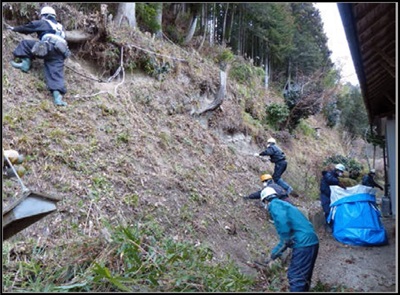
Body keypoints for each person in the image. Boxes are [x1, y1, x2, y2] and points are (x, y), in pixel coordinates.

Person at [6, 6, 70, 106]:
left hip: (47, 46)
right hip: (60, 52)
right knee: (55, 73)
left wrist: (14, 28)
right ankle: (58, 98)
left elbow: (28, 27)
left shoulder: (44, 22)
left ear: (45, 15)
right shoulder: (60, 26)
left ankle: (25, 64)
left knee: (26, 44)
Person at [260, 187, 319, 292]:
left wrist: (274, 254)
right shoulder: (285, 205)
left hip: (303, 243)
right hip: (312, 241)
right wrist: (276, 253)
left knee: (295, 276)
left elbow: (283, 227)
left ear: (265, 200)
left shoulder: (275, 205)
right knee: (305, 275)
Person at [319, 163, 346, 232]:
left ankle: (332, 224)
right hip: (325, 195)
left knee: (333, 210)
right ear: (337, 170)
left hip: (331, 195)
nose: (341, 173)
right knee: (327, 210)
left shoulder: (335, 176)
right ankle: (327, 225)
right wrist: (339, 182)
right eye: (340, 172)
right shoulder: (329, 175)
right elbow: (331, 180)